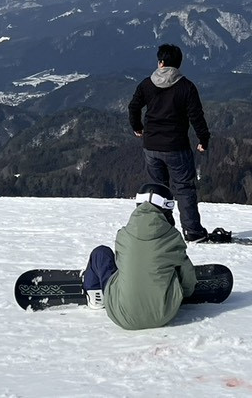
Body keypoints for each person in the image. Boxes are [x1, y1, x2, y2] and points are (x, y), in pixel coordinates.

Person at [81, 182, 197, 330]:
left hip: (121, 315)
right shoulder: (173, 237)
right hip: (164, 315)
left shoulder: (123, 235)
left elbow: (122, 264)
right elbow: (187, 277)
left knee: (101, 253)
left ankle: (95, 295)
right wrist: (183, 293)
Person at [128, 44, 211, 242]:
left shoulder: (147, 84)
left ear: (161, 63)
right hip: (176, 146)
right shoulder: (186, 87)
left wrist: (137, 127)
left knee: (157, 190)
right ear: (178, 64)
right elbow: (196, 116)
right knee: (184, 189)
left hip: (151, 145)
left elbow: (133, 107)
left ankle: (162, 229)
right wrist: (203, 139)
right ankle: (192, 232)